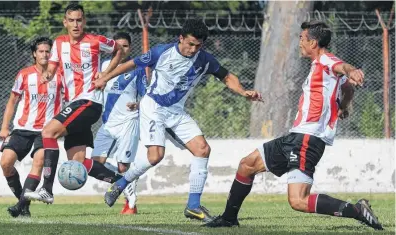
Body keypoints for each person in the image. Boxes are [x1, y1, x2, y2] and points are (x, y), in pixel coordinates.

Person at [203, 20, 383, 231]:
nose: (299, 43)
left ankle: (356, 210)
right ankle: (229, 218)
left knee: (298, 200)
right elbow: (348, 87)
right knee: (247, 165)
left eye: (302, 39)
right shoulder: (322, 67)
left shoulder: (326, 60)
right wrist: (343, 106)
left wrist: (352, 70)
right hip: (298, 137)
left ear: (313, 43)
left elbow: (343, 67)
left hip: (307, 138)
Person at [94, 19, 263, 222]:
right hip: (153, 107)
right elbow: (132, 63)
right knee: (155, 156)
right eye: (190, 44)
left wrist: (244, 92)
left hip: (176, 111)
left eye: (198, 46)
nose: (193, 49)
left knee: (203, 149)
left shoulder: (204, 60)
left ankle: (193, 206)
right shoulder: (161, 52)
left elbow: (226, 77)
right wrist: (105, 77)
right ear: (181, 38)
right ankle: (121, 183)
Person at [24, 3, 124, 204]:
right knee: (78, 161)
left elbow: (119, 49)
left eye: (79, 20)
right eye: (71, 20)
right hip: (75, 106)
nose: (76, 24)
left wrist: (105, 75)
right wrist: (47, 75)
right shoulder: (59, 44)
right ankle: (122, 182)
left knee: (48, 132)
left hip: (89, 102)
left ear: (84, 21)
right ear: (65, 22)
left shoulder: (95, 41)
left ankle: (47, 190)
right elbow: (51, 69)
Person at [0, 37, 64, 217]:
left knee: (39, 162)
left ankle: (20, 206)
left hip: (46, 131)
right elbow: (12, 100)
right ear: (34, 54)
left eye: (47, 51)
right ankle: (24, 205)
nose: (44, 54)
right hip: (22, 128)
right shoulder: (24, 74)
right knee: (5, 163)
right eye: (41, 51)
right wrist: (5, 127)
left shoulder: (60, 75)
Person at [91, 32, 146, 214]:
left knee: (123, 165)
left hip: (128, 121)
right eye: (118, 46)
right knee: (95, 164)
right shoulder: (103, 66)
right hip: (107, 123)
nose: (121, 49)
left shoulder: (137, 68)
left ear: (130, 48)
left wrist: (138, 104)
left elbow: (147, 95)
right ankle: (124, 183)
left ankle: (130, 205)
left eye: (125, 46)